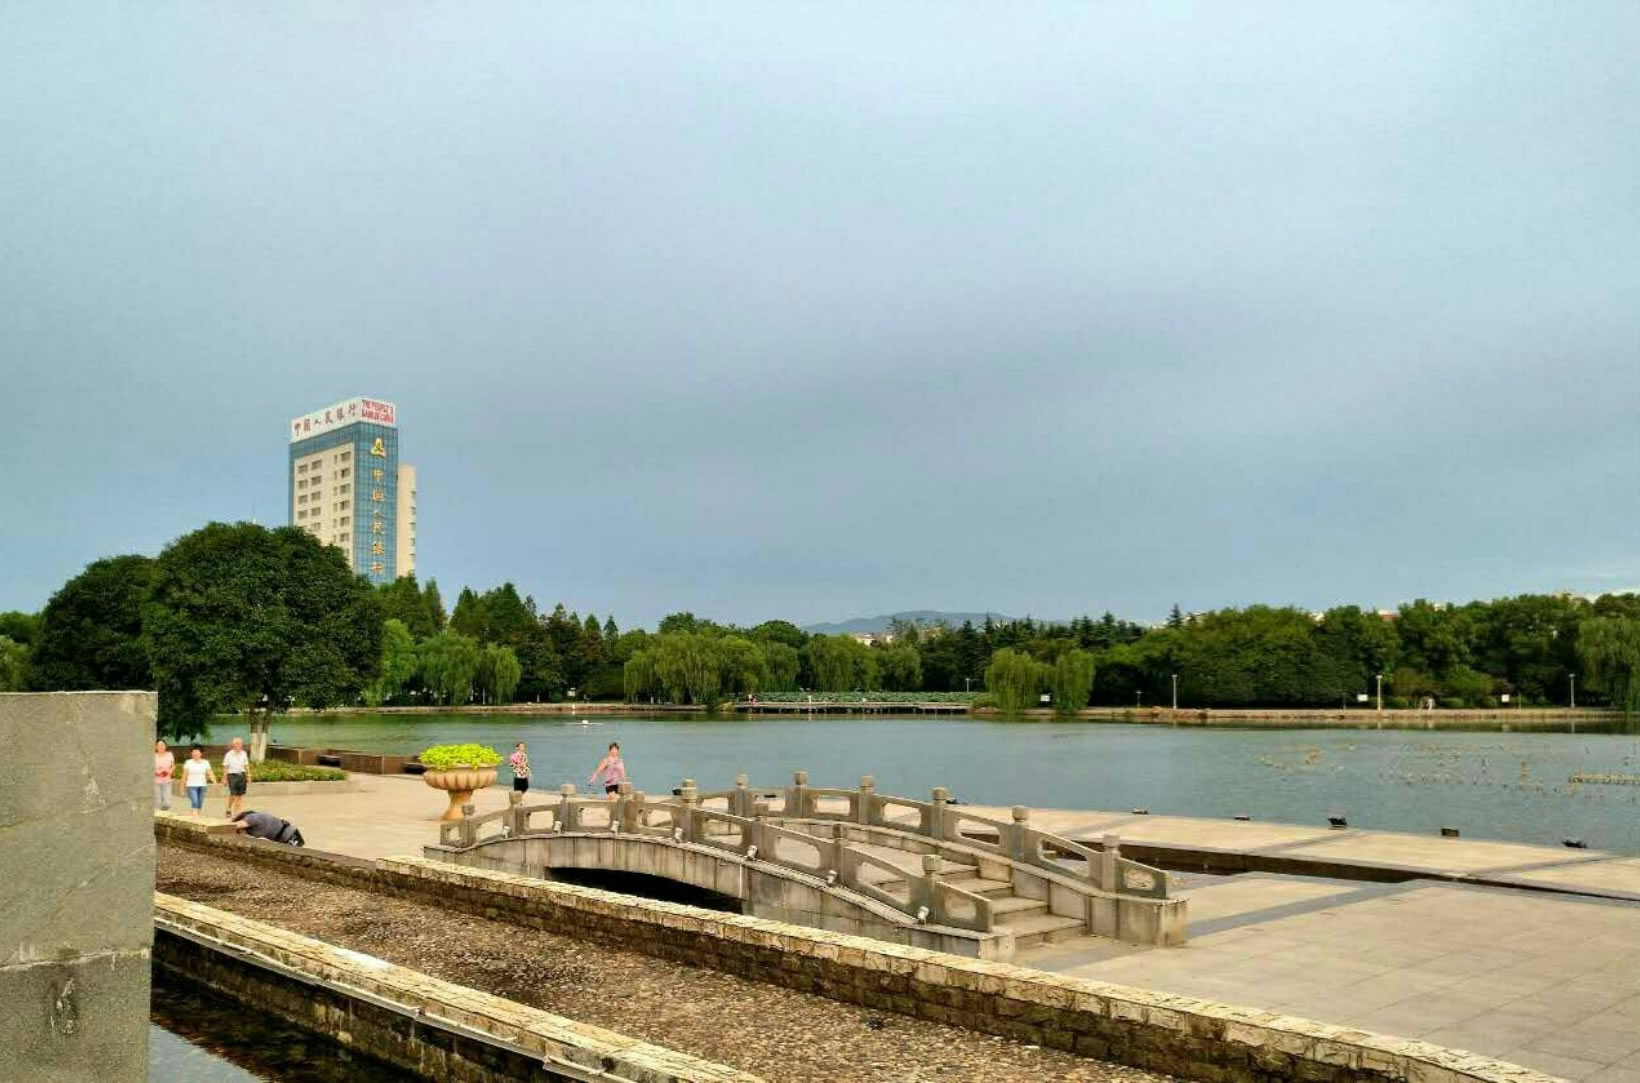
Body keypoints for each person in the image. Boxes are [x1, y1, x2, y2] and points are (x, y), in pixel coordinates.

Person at [232, 809, 304, 846]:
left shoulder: (251, 818)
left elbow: (233, 826)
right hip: (291, 832)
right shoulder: (256, 817)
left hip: (288, 836)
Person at [181, 745, 216, 816]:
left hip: (202, 786)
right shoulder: (188, 762)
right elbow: (184, 776)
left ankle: (197, 817)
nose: (195, 753)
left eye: (197, 752)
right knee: (195, 802)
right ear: (191, 753)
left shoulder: (205, 762)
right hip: (191, 786)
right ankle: (195, 817)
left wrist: (214, 781)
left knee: (200, 803)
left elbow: (210, 773)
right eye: (193, 752)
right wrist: (181, 788)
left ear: (201, 753)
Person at [223, 737, 252, 817]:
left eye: (240, 744)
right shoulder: (229, 754)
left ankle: (237, 814)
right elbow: (225, 767)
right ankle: (229, 808)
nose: (239, 745)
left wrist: (249, 775)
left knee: (239, 796)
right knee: (233, 795)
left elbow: (246, 765)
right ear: (233, 745)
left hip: (241, 775)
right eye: (237, 744)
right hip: (232, 775)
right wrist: (224, 778)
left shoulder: (244, 754)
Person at [154, 739, 175, 811]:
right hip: (156, 781)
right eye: (159, 745)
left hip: (167, 780)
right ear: (156, 747)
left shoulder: (169, 755)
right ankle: (159, 815)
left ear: (165, 746)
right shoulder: (153, 756)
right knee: (158, 802)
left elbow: (173, 766)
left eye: (162, 745)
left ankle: (164, 813)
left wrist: (169, 773)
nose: (161, 746)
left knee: (167, 803)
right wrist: (155, 773)